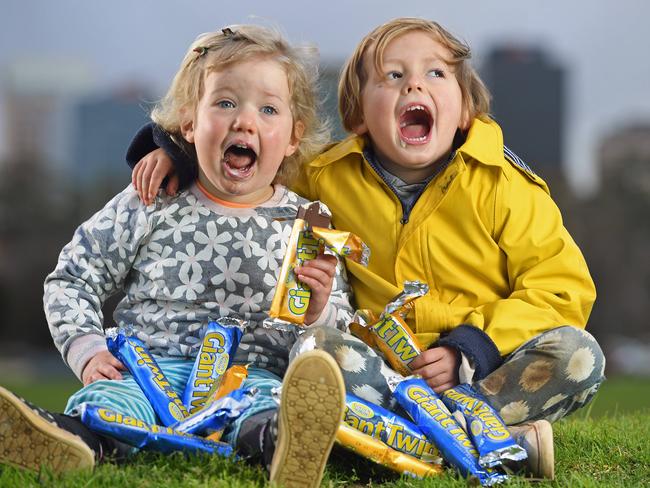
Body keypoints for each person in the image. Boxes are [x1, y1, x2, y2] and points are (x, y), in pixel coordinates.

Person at [127, 18, 606, 480]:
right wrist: (175, 150)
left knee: (579, 354)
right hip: (380, 375)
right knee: (317, 351)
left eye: (435, 73)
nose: (414, 87)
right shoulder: (324, 177)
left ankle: (432, 433)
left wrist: (472, 348)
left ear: (465, 109)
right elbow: (251, 158)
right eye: (393, 76)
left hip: (485, 372)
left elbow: (562, 290)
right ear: (357, 115)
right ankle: (496, 443)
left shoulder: (506, 185)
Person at [0, 25, 353, 488]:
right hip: (147, 369)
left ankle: (280, 445)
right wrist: (87, 349)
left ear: (292, 136)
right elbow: (73, 277)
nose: (244, 121)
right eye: (225, 103)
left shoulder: (309, 221)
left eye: (268, 109)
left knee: (268, 406)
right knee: (111, 404)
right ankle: (71, 441)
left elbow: (342, 328)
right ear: (188, 123)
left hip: (248, 376)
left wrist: (320, 308)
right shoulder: (151, 197)